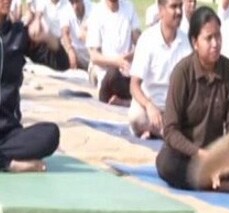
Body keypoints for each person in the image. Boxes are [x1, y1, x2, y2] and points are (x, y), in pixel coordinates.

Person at [157, 6, 229, 193]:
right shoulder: (182, 73)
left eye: (218, 36)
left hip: (217, 154)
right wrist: (199, 154)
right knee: (166, 164)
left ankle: (209, 178)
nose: (215, 43)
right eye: (209, 38)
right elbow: (170, 131)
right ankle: (223, 185)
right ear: (195, 42)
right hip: (188, 155)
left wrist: (220, 158)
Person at [0, 0, 69, 173]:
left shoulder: (19, 34)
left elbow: (62, 64)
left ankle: (4, 159)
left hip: (8, 133)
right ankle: (8, 163)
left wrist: (49, 38)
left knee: (50, 134)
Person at [128, 0, 191, 139]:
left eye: (180, 6)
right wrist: (149, 106)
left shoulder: (186, 42)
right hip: (149, 105)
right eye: (174, 7)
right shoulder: (147, 39)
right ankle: (167, 132)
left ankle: (162, 130)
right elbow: (134, 85)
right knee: (135, 117)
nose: (179, 12)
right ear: (161, 10)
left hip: (174, 108)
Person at [86, 0, 141, 105]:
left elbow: (138, 40)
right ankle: (130, 101)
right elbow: (94, 57)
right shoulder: (96, 13)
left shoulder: (129, 8)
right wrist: (117, 62)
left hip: (128, 72)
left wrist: (133, 55)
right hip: (108, 74)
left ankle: (125, 101)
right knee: (113, 75)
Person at [60, 0, 92, 70]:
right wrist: (70, 51)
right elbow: (64, 32)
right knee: (63, 41)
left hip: (91, 51)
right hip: (76, 52)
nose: (75, 6)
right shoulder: (65, 10)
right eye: (72, 3)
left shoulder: (92, 8)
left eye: (77, 2)